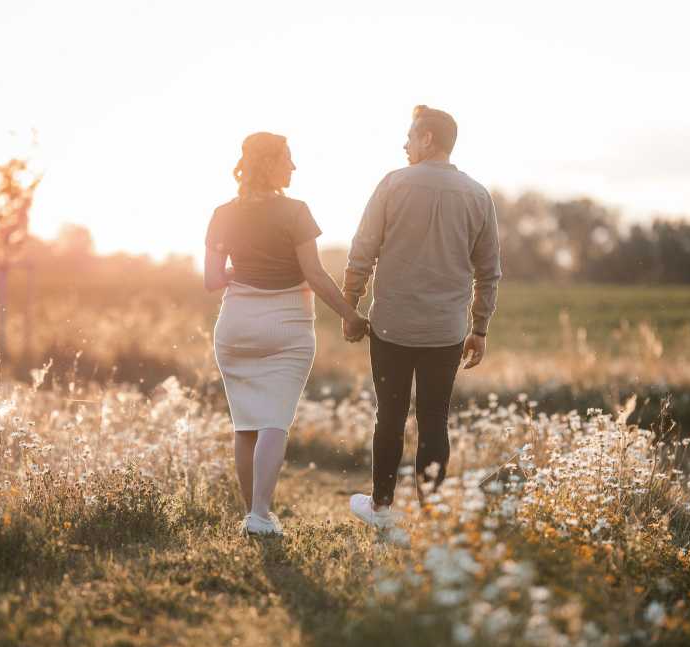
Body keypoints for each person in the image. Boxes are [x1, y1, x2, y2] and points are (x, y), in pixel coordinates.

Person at [343, 105, 502, 530]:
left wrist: (350, 305)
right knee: (435, 419)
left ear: (428, 138)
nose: (405, 144)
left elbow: (362, 251)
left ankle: (381, 509)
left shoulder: (393, 184)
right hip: (445, 332)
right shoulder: (477, 195)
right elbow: (489, 272)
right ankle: (431, 517)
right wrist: (479, 327)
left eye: (410, 136)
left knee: (389, 418)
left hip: (391, 327)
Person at [205, 132, 369, 536]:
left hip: (236, 325)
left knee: (246, 425)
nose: (294, 167)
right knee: (274, 421)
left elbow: (211, 279)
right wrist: (351, 315)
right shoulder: (295, 212)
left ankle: (255, 515)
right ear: (272, 164)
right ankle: (260, 515)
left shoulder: (223, 213)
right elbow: (313, 273)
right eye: (288, 159)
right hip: (287, 328)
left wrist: (235, 272)